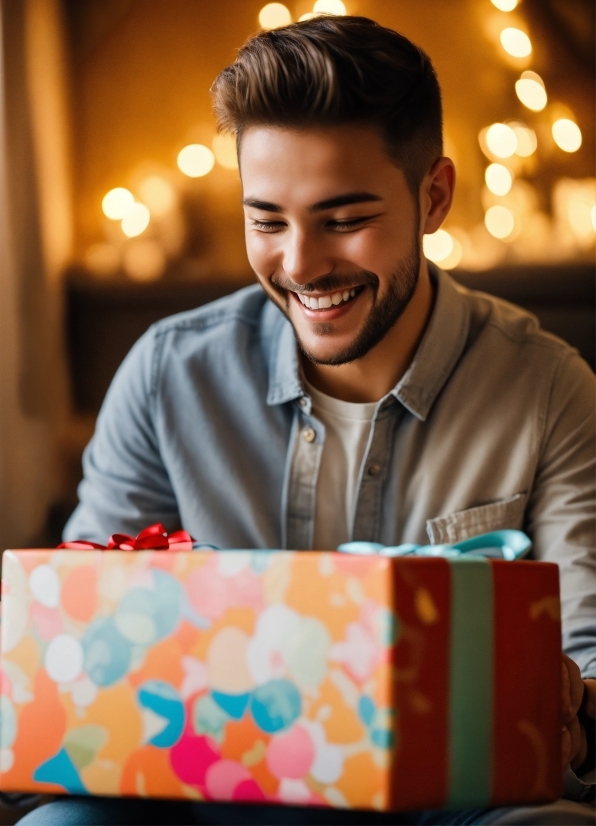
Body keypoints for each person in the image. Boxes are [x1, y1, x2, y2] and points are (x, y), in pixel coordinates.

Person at [20, 14, 594, 826]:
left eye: (344, 218)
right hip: (208, 797)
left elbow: (588, 654)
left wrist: (575, 709)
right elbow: (78, 642)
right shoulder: (165, 373)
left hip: (454, 806)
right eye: (268, 220)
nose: (299, 266)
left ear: (434, 197)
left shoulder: (550, 389)